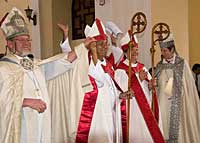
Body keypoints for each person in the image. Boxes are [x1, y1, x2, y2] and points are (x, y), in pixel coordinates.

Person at [0, 7, 91, 143]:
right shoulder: (4, 68)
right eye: (21, 40)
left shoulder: (35, 64)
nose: (26, 43)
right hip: (23, 125)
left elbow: (62, 63)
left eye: (28, 39)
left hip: (43, 122)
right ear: (9, 43)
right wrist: (27, 102)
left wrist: (83, 46)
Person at [114, 32, 164, 143]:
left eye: (136, 49)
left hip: (145, 111)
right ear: (126, 53)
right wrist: (138, 78)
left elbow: (147, 88)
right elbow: (122, 92)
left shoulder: (142, 67)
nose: (136, 52)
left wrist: (151, 86)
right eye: (133, 49)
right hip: (133, 112)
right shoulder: (120, 70)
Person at [83, 18, 122, 143]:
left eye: (106, 43)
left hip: (110, 112)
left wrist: (120, 95)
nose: (105, 47)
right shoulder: (87, 63)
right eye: (101, 44)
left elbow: (111, 89)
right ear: (93, 47)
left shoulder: (107, 63)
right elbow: (98, 78)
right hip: (97, 114)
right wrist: (93, 52)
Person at [155, 33, 200, 142]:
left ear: (172, 50)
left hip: (180, 104)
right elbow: (157, 86)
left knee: (180, 132)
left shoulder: (182, 64)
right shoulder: (159, 66)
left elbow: (189, 86)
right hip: (163, 104)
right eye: (162, 51)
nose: (163, 53)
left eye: (165, 50)